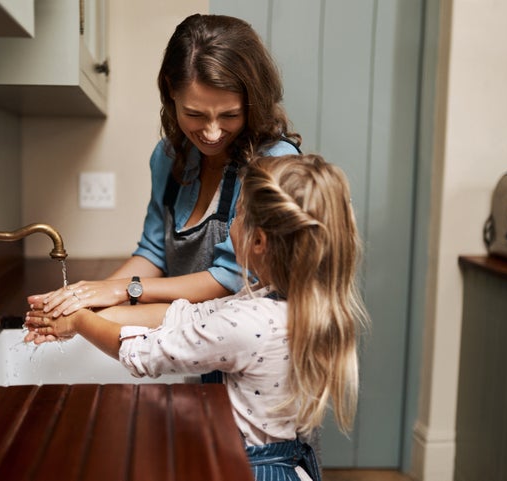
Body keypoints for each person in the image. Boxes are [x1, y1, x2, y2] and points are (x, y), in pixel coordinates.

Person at [25, 154, 370, 481]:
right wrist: (93, 311)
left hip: (248, 468)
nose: (232, 224)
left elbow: (141, 353)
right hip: (284, 460)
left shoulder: (248, 323)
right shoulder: (293, 306)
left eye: (236, 215)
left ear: (259, 241)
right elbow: (188, 316)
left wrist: (79, 323)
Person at [27, 13, 301, 319]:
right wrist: (85, 298)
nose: (211, 133)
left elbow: (233, 278)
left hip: (246, 355)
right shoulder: (170, 155)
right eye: (195, 114)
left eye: (229, 115)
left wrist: (124, 289)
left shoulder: (276, 163)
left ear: (253, 103)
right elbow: (154, 252)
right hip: (189, 344)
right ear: (171, 90)